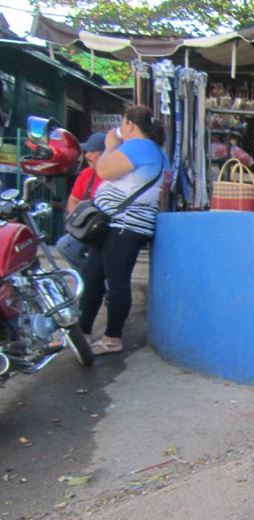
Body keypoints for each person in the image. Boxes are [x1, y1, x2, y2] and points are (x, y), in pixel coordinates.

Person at [78, 106, 169, 356]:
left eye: (122, 123)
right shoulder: (156, 152)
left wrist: (109, 146)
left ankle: (111, 338)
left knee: (116, 280)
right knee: (93, 275)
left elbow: (103, 171)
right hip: (119, 225)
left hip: (124, 225)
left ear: (129, 124)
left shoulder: (139, 147)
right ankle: (82, 333)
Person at [55, 132, 106, 270]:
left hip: (105, 229)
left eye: (92, 151)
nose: (87, 156)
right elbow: (73, 199)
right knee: (64, 246)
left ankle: (95, 279)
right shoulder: (86, 174)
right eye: (87, 151)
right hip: (87, 227)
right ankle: (90, 278)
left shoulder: (114, 176)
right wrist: (77, 221)